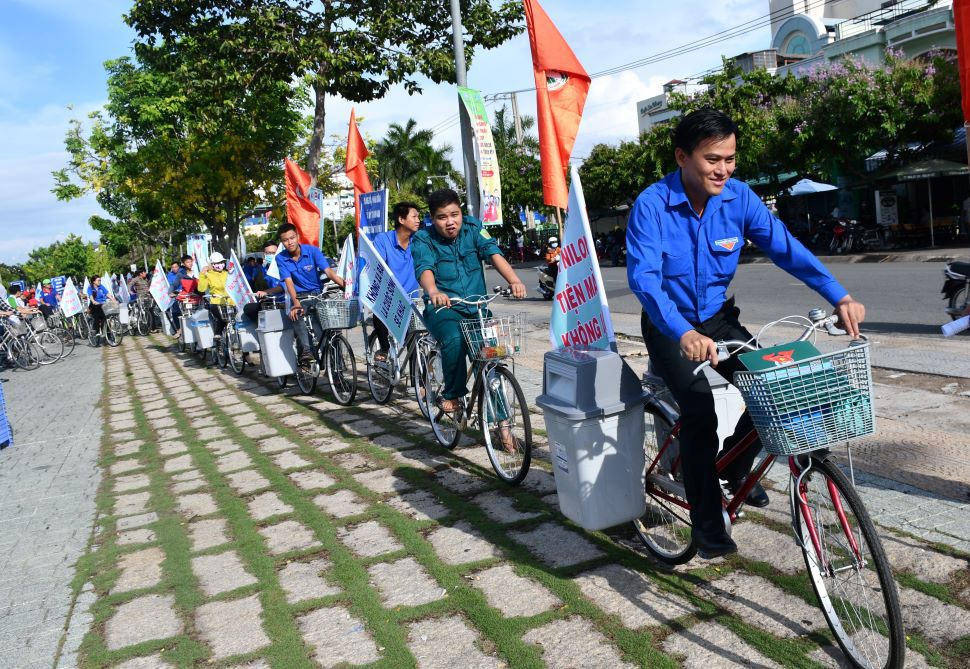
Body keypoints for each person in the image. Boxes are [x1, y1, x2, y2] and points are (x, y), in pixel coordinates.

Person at [626, 108, 866, 559]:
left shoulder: (739, 199)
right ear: (682, 156)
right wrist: (681, 332)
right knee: (699, 412)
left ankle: (734, 472)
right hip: (668, 324)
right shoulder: (652, 205)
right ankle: (706, 524)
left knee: (773, 391)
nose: (723, 169)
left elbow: (785, 249)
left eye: (730, 159)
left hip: (718, 319)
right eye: (712, 159)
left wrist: (839, 295)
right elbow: (645, 280)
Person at [411, 188, 527, 414]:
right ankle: (453, 394)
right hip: (444, 310)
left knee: (491, 361)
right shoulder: (423, 239)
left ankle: (502, 424)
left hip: (478, 310)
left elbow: (493, 252)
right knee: (455, 339)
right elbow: (424, 267)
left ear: (461, 212)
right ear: (432, 219)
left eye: (454, 214)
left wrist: (514, 280)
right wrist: (433, 290)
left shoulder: (473, 228)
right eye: (442, 217)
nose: (450, 222)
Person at [277, 223, 345, 365]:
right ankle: (307, 350)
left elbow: (329, 272)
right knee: (296, 315)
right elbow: (289, 282)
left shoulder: (313, 251)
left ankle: (337, 367)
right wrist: (295, 303)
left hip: (317, 294)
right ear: (282, 242)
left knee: (329, 330)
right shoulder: (281, 258)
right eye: (285, 240)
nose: (289, 242)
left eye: (292, 238)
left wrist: (346, 286)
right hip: (299, 296)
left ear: (298, 237)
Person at [370, 201, 422, 358]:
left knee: (415, 340)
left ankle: (419, 382)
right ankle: (384, 349)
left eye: (418, 216)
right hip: (390, 297)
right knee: (378, 311)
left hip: (412, 299)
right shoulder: (383, 240)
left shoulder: (418, 241)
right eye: (414, 216)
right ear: (401, 219)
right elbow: (378, 267)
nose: (418, 220)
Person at [242, 242, 284, 323]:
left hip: (285, 301)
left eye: (273, 253)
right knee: (248, 308)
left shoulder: (284, 266)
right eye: (268, 253)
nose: (271, 255)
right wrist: (263, 296)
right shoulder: (262, 269)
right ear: (264, 254)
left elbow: (283, 286)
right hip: (271, 300)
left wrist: (266, 292)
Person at [197, 252, 233, 338]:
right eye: (216, 263)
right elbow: (201, 289)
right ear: (212, 264)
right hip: (216, 302)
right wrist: (202, 275)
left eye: (221, 262)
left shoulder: (228, 273)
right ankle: (218, 335)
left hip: (230, 302)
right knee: (222, 318)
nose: (219, 265)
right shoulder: (208, 275)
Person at [87, 276, 114, 344]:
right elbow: (90, 296)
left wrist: (113, 299)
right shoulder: (90, 288)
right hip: (95, 305)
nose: (100, 282)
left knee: (106, 319)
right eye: (98, 280)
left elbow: (107, 293)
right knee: (97, 318)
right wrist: (93, 301)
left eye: (100, 280)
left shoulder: (101, 286)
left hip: (103, 304)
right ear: (94, 281)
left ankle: (109, 336)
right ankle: (96, 332)